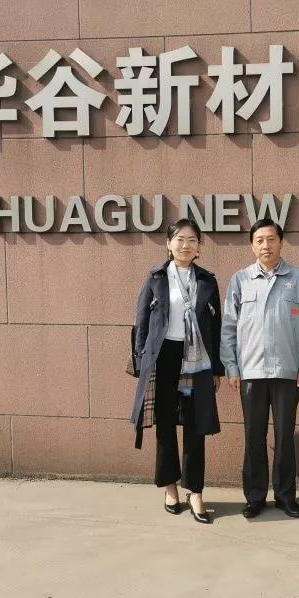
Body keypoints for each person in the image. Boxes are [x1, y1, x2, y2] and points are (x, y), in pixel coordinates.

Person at [220, 219, 299, 519]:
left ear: (281, 242)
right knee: (254, 436)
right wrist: (231, 367)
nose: (266, 245)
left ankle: (286, 497)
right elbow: (228, 328)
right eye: (260, 240)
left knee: (285, 437)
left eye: (271, 239)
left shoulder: (298, 279)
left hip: (288, 373)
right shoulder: (240, 280)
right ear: (252, 245)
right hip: (250, 373)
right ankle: (255, 497)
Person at [130, 219, 225, 525]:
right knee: (166, 425)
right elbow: (141, 323)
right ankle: (169, 486)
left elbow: (216, 327)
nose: (186, 245)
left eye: (192, 240)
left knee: (196, 426)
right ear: (169, 244)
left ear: (199, 247)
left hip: (197, 358)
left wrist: (217, 368)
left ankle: (195, 491)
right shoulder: (156, 278)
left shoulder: (207, 281)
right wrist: (142, 361)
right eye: (180, 239)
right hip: (164, 358)